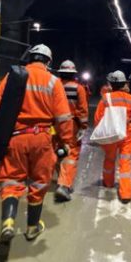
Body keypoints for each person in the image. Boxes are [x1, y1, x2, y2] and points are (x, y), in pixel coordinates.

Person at [0, 44, 76, 243]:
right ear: (48, 62)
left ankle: (8, 223)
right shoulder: (53, 82)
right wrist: (66, 141)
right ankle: (32, 228)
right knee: (39, 182)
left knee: (11, 180)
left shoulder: (13, 76)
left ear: (30, 57)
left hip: (15, 138)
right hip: (42, 140)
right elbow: (63, 117)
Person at [94, 71, 131, 203]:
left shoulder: (105, 98)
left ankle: (108, 183)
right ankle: (126, 194)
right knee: (125, 162)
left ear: (111, 84)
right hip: (126, 134)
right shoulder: (130, 98)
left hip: (111, 134)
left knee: (109, 159)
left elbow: (97, 118)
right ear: (123, 83)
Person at [54, 60, 89, 202]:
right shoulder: (78, 88)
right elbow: (82, 110)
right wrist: (84, 127)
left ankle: (60, 179)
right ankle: (64, 185)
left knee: (56, 151)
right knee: (71, 154)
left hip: (53, 124)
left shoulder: (54, 85)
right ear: (74, 74)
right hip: (71, 124)